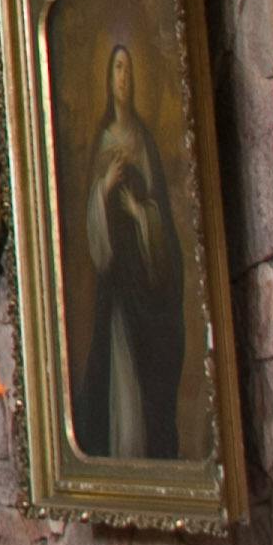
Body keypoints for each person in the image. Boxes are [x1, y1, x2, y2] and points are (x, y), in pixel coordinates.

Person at [75, 38, 185, 461]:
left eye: (129, 70)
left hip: (148, 284)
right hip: (118, 286)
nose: (125, 78)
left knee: (149, 374)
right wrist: (104, 187)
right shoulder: (104, 142)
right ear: (108, 80)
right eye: (118, 69)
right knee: (118, 374)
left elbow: (163, 222)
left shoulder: (144, 141)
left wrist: (141, 214)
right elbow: (94, 232)